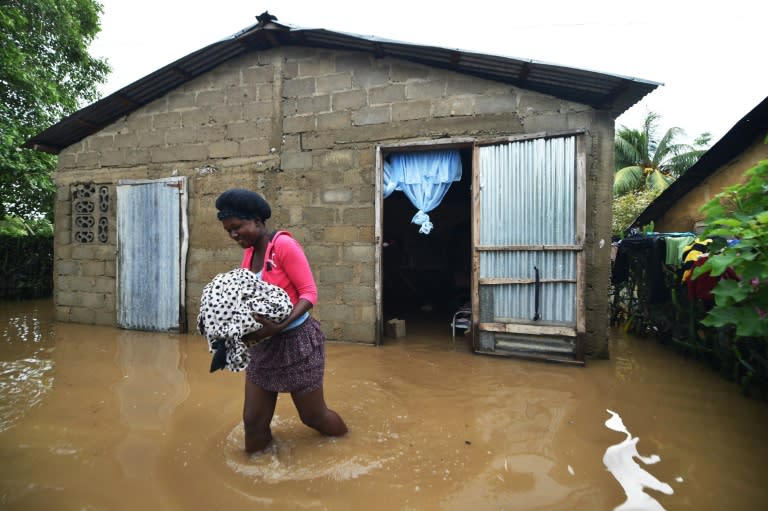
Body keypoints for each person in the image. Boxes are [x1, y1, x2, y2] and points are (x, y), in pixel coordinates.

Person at [214, 188, 348, 454]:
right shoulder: (249, 254)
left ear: (258, 221)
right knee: (253, 422)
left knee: (313, 417)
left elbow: (309, 294)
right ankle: (255, 478)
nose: (233, 235)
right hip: (263, 347)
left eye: (238, 227)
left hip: (297, 343)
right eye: (229, 230)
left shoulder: (283, 246)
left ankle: (348, 443)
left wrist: (279, 325)